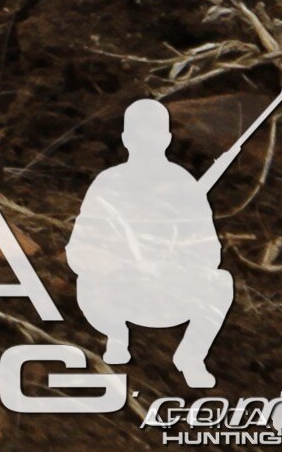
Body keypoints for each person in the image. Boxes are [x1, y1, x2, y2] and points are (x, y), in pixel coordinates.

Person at [69, 94, 251, 386]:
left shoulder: (183, 184)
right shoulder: (108, 182)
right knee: (87, 282)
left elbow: (209, 250)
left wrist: (172, 261)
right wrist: (119, 263)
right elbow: (80, 247)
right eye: (139, 135)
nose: (146, 142)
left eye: (153, 134)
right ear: (126, 139)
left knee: (220, 282)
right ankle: (116, 337)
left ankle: (191, 356)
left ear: (167, 138)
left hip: (168, 290)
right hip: (120, 290)